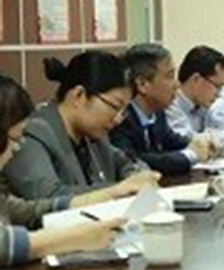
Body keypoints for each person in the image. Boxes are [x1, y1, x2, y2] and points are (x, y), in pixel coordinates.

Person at [0, 76, 127, 268]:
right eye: (15, 138)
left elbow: (26, 212)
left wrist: (107, 195)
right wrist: (73, 238)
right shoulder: (42, 131)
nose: (18, 148)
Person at [3, 52, 160, 199]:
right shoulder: (33, 133)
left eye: (124, 111)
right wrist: (120, 189)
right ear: (79, 95)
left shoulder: (94, 135)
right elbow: (48, 196)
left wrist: (138, 177)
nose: (118, 119)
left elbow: (128, 162)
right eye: (115, 107)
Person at [110, 44, 215, 176]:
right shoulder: (120, 117)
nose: (177, 84)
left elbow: (171, 140)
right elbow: (135, 160)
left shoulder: (157, 111)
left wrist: (199, 143)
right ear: (142, 84)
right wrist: (191, 155)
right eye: (169, 76)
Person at [166, 45, 224, 147]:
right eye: (217, 86)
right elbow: (190, 141)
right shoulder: (170, 104)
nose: (219, 94)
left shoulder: (202, 106)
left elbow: (221, 129)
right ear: (196, 79)